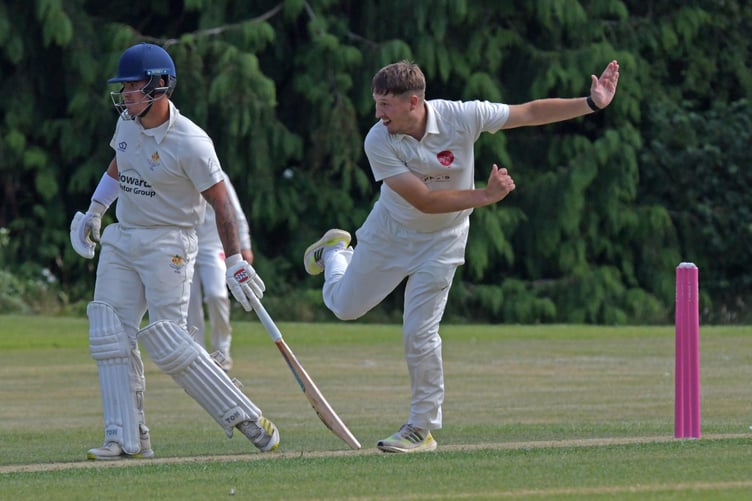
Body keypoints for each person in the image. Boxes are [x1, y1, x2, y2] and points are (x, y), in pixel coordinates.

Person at [303, 59, 620, 453]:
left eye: (386, 105)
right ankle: (336, 252)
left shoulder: (462, 116)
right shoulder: (378, 140)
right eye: (376, 103)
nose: (377, 114)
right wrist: (485, 196)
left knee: (419, 334)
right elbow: (424, 200)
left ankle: (420, 428)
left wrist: (591, 103)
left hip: (443, 242)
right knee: (344, 307)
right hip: (391, 234)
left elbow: (529, 112)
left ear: (414, 101)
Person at [69, 42, 279, 460]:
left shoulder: (192, 142)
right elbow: (118, 166)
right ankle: (126, 439)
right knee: (109, 331)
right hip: (124, 235)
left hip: (170, 242)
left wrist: (234, 259)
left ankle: (248, 416)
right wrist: (95, 211)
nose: (126, 94)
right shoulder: (128, 123)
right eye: (123, 86)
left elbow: (222, 204)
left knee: (168, 339)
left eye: (134, 85)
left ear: (160, 85)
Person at [187, 171, 252, 372]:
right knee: (189, 303)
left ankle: (222, 351)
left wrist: (245, 246)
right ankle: (196, 354)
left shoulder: (216, 173)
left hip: (213, 245)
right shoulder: (172, 169)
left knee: (217, 295)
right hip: (182, 243)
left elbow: (234, 211)